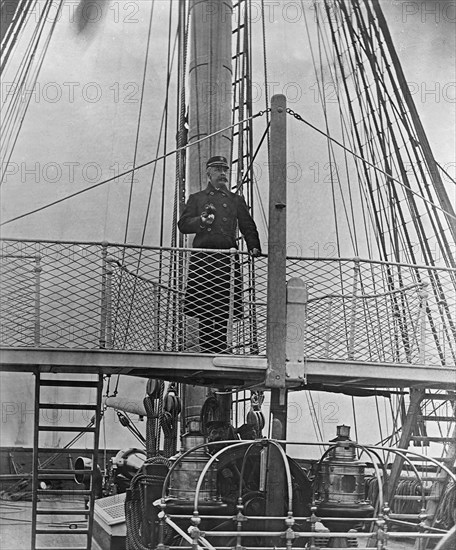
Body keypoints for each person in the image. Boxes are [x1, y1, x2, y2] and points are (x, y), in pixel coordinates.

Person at [178, 155, 261, 353]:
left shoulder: (235, 200)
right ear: (208, 173)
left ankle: (222, 347)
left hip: (226, 256)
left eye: (224, 170)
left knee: (224, 302)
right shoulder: (197, 199)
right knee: (205, 303)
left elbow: (247, 225)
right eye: (217, 169)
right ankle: (207, 348)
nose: (222, 173)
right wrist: (201, 221)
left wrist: (253, 246)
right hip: (204, 257)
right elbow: (183, 225)